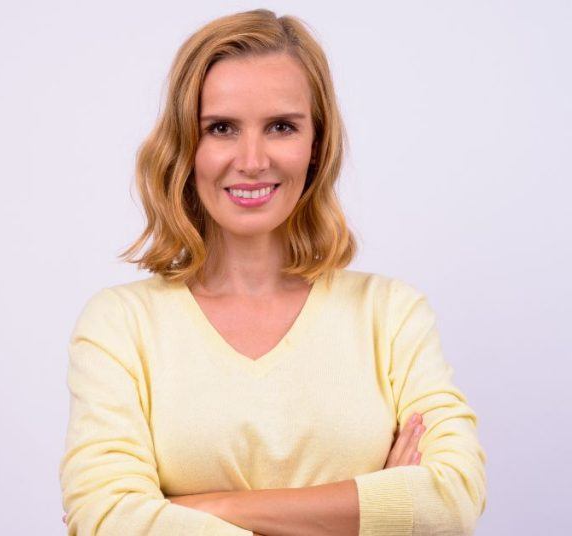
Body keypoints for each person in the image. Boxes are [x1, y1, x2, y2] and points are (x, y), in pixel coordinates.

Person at [57, 8, 487, 536]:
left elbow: (453, 500)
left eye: (281, 126)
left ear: (316, 145)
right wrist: (368, 511)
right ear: (185, 148)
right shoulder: (120, 325)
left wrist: (207, 509)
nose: (253, 159)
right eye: (220, 128)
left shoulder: (390, 315)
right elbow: (106, 518)